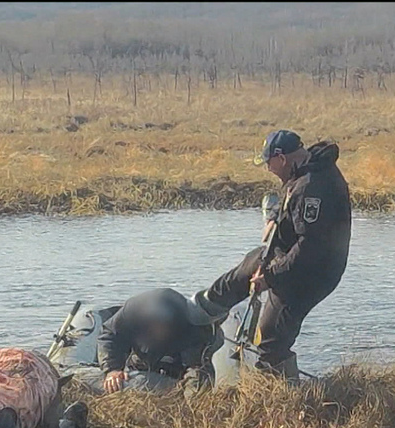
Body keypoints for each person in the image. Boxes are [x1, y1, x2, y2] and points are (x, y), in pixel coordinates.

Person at [194, 130, 352, 379]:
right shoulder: (303, 169)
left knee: (271, 335)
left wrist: (270, 276)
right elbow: (291, 203)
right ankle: (200, 314)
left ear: (281, 158)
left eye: (269, 163)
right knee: (248, 266)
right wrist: (274, 218)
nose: (268, 169)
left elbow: (310, 248)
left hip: (313, 273)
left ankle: (278, 390)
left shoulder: (313, 186)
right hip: (291, 257)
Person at [97, 288, 224, 394]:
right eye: (152, 324)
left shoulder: (194, 326)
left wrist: (190, 399)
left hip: (181, 361)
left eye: (162, 324)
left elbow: (197, 368)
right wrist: (112, 369)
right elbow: (109, 334)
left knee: (197, 385)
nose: (157, 329)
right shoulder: (132, 311)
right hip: (144, 360)